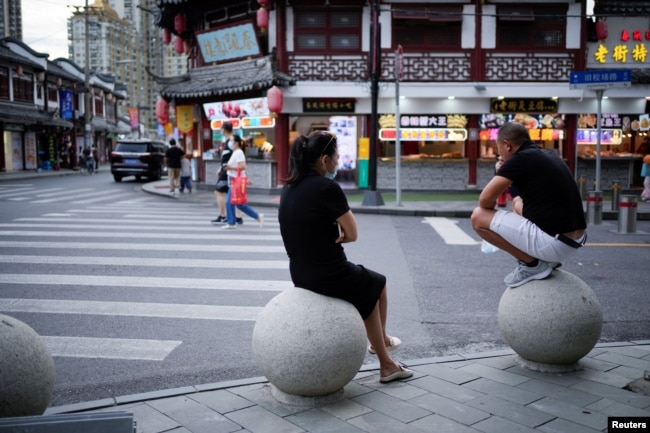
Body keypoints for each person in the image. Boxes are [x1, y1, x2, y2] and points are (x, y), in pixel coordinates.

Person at [277, 131, 412, 384]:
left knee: (376, 281)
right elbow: (352, 234)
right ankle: (386, 364)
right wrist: (338, 231)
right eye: (336, 159)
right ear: (324, 160)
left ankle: (380, 341)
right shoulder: (327, 187)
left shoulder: (289, 188)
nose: (338, 164)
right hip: (327, 272)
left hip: (300, 272)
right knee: (373, 287)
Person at [471, 122, 587, 288]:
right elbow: (519, 196)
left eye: (500, 149)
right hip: (574, 241)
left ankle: (532, 264)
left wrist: (500, 173)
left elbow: (485, 201)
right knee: (517, 203)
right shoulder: (546, 153)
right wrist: (506, 172)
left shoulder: (519, 159)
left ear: (507, 145)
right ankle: (546, 260)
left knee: (478, 217)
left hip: (554, 243)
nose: (500, 154)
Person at [221, 134, 264, 229]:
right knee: (238, 204)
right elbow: (242, 169)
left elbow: (243, 166)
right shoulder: (235, 152)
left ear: (236, 143)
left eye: (231, 140)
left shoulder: (238, 152)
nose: (229, 143)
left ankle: (232, 222)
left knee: (231, 202)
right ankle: (257, 217)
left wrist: (229, 167)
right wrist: (246, 177)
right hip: (233, 180)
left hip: (236, 181)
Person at [211, 122, 242, 224]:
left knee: (218, 191)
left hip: (227, 171)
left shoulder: (230, 141)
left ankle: (223, 215)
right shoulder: (229, 141)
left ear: (224, 129)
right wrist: (221, 167)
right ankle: (237, 217)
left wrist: (226, 167)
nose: (220, 131)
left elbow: (236, 155)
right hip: (226, 170)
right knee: (233, 194)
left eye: (221, 129)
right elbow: (228, 156)